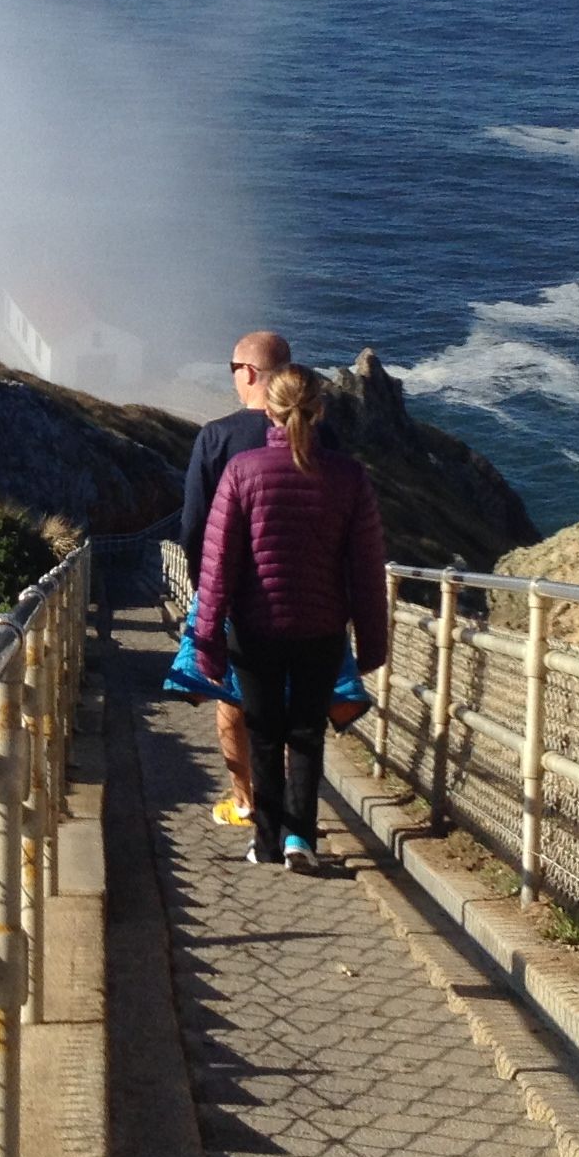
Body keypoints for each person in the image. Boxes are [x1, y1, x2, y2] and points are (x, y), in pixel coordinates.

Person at [190, 364, 389, 872]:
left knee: (264, 732)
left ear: (270, 412)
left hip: (254, 628)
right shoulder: (350, 476)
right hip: (321, 628)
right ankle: (301, 839)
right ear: (319, 409)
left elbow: (218, 566)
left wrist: (207, 640)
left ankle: (268, 841)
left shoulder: (243, 471)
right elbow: (366, 567)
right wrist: (372, 644)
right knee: (306, 733)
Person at [175, 329, 301, 829]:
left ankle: (246, 802)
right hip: (303, 595)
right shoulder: (317, 434)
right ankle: (292, 809)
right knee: (293, 702)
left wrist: (200, 588)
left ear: (247, 373)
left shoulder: (216, 437)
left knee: (231, 698)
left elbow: (193, 524)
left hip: (231, 594)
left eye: (233, 370)